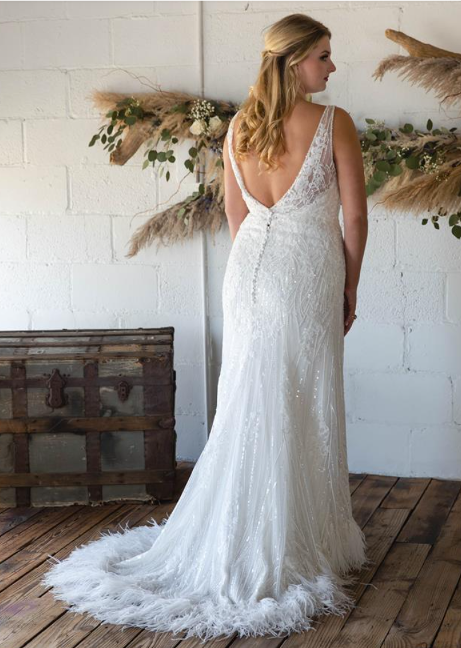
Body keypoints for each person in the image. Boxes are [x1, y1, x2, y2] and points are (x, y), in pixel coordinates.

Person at [42, 12, 371, 643]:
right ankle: (288, 536)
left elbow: (234, 212)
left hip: (250, 272)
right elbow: (354, 219)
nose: (332, 67)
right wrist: (352, 284)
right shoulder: (334, 123)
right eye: (324, 56)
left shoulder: (240, 127)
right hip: (304, 273)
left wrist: (263, 262)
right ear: (295, 60)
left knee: (253, 394)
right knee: (299, 396)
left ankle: (247, 522)